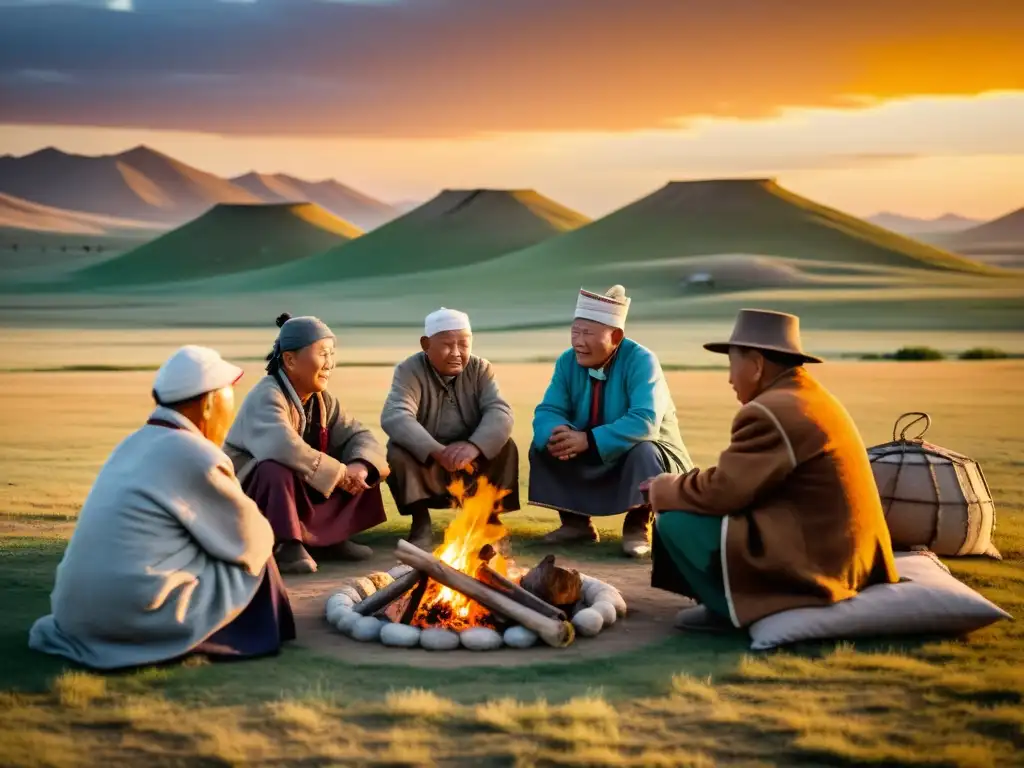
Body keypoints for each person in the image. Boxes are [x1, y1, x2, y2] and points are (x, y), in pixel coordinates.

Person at [28, 346, 294, 670]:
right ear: (209, 404)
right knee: (255, 558)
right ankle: (242, 638)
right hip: (132, 613)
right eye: (228, 397)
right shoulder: (195, 454)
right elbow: (252, 539)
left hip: (75, 615)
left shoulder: (131, 443)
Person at [645, 309, 899, 632]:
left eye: (731, 365)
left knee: (676, 520)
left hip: (821, 562)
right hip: (848, 554)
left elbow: (723, 492)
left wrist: (663, 489)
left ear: (756, 365)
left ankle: (728, 611)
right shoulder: (804, 397)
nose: (729, 378)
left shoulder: (769, 411)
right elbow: (742, 480)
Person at [529, 285, 693, 557]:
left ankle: (638, 525)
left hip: (644, 452)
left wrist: (589, 440)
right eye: (575, 332)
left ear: (616, 336)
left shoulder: (642, 360)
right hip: (587, 448)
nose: (578, 342)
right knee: (548, 441)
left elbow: (645, 420)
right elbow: (548, 409)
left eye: (588, 334)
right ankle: (575, 524)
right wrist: (559, 432)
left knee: (644, 450)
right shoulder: (566, 362)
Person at [224, 314, 390, 573]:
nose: (330, 363)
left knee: (360, 460)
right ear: (290, 360)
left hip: (300, 485)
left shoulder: (324, 401)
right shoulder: (267, 394)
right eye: (323, 354)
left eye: (332, 354)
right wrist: (339, 474)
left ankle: (330, 539)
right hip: (253, 495)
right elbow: (281, 445)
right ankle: (287, 544)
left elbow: (360, 436)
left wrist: (358, 466)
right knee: (275, 469)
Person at [381, 307, 519, 550]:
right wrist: (437, 451)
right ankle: (420, 522)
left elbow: (500, 412)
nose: (456, 353)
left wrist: (474, 446)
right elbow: (395, 415)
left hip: (470, 459)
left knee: (505, 446)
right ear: (426, 344)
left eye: (464, 345)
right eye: (447, 345)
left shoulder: (480, 368)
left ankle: (489, 517)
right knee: (397, 450)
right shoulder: (408, 369)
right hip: (429, 460)